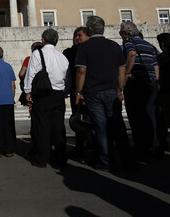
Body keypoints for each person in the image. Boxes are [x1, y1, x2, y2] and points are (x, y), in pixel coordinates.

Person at [75, 16, 135, 171]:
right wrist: (119, 88)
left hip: (92, 92)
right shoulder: (114, 46)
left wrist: (78, 91)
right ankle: (127, 160)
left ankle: (105, 161)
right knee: (118, 125)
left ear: (89, 30)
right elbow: (121, 70)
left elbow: (81, 71)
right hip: (111, 90)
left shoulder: (84, 47)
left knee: (101, 127)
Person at [24, 29, 69, 168]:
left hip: (43, 94)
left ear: (43, 40)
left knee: (42, 127)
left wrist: (27, 91)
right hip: (58, 94)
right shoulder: (62, 57)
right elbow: (67, 77)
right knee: (58, 128)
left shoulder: (38, 53)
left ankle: (42, 158)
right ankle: (60, 159)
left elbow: (31, 74)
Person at [119, 21, 160, 159]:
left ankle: (141, 147)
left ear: (126, 33)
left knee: (136, 116)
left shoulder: (128, 42)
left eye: (121, 33)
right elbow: (155, 66)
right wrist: (156, 82)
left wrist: (126, 73)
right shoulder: (148, 45)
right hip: (151, 83)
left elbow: (131, 54)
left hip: (136, 82)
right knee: (150, 115)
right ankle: (154, 145)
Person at [63, 27, 90, 161]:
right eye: (75, 35)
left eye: (79, 35)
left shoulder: (90, 50)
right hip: (77, 92)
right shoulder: (69, 52)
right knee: (78, 122)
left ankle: (89, 147)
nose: (76, 38)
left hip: (89, 91)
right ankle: (80, 148)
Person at [0, 46, 17, 158]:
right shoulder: (8, 66)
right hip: (8, 100)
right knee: (8, 126)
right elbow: (13, 85)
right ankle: (9, 150)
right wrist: (12, 97)